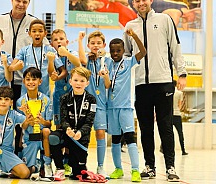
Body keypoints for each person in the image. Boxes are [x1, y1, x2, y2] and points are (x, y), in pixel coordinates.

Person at [123, 0, 187, 182]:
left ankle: (170, 167)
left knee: (165, 126)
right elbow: (126, 55)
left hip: (164, 82)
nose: (141, 3)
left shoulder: (164, 20)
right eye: (137, 1)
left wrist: (181, 73)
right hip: (142, 84)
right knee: (145, 127)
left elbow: (175, 47)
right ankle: (149, 166)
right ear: (133, 3)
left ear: (150, 0)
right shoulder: (129, 26)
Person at [0, 0, 49, 108]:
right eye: (18, 0)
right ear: (12, 0)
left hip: (23, 81)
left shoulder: (33, 22)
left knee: (21, 118)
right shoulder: (0, 20)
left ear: (28, 3)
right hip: (3, 79)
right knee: (2, 117)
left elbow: (46, 47)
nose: (21, 4)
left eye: (25, 2)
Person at [101, 31, 146, 182]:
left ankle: (135, 170)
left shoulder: (129, 62)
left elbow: (143, 51)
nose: (115, 53)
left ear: (123, 50)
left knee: (130, 137)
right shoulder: (106, 62)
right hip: (111, 107)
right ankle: (118, 168)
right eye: (112, 50)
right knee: (115, 139)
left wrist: (134, 36)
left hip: (125, 107)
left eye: (118, 50)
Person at [49, 66, 96, 181]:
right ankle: (60, 168)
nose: (78, 83)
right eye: (75, 80)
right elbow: (63, 119)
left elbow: (89, 122)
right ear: (70, 81)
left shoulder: (91, 99)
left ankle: (75, 164)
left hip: (81, 137)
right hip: (68, 134)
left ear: (87, 83)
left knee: (77, 175)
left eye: (82, 81)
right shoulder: (64, 98)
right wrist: (68, 129)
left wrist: (80, 132)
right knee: (53, 137)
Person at [78, 30, 112, 178]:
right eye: (92, 43)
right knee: (83, 134)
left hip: (101, 104)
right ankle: (80, 164)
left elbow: (107, 85)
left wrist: (105, 77)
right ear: (88, 45)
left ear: (104, 45)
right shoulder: (86, 59)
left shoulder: (108, 61)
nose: (96, 45)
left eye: (99, 43)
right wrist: (79, 40)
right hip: (86, 104)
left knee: (100, 133)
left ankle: (100, 166)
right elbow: (81, 60)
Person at [49, 29, 81, 177]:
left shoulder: (71, 53)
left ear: (67, 42)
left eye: (62, 39)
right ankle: (59, 162)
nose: (59, 41)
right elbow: (51, 74)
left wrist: (66, 53)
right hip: (57, 98)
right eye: (56, 40)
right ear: (52, 43)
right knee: (59, 129)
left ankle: (68, 161)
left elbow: (79, 63)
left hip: (72, 98)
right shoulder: (52, 57)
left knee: (71, 129)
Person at [9, 19, 65, 98]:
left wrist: (57, 77)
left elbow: (63, 71)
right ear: (29, 33)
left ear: (45, 33)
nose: (37, 34)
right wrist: (15, 67)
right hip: (26, 94)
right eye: (34, 31)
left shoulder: (50, 50)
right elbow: (10, 67)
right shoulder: (24, 50)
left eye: (40, 31)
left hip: (44, 93)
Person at [16, 67, 53, 179]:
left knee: (46, 131)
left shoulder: (46, 100)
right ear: (24, 81)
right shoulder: (20, 102)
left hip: (42, 136)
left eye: (34, 79)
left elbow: (49, 124)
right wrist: (27, 121)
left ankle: (47, 164)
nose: (31, 82)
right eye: (28, 79)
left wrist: (42, 121)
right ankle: (36, 165)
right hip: (29, 137)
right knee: (27, 172)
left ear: (40, 81)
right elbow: (22, 126)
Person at [161, 80, 188, 156]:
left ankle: (163, 148)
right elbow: (180, 104)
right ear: (176, 84)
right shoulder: (179, 93)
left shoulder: (167, 93)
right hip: (177, 114)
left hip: (169, 114)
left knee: (167, 132)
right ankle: (183, 150)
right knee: (180, 133)